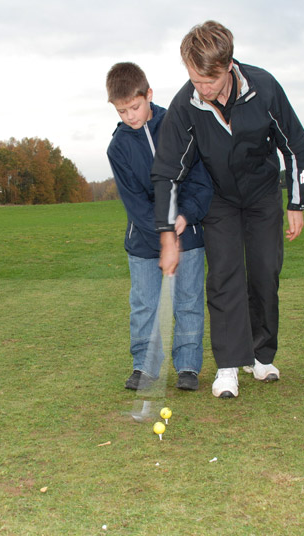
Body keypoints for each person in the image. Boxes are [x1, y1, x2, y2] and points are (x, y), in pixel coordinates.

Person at [151, 21, 304, 398]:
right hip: (220, 198)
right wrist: (165, 233)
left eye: (210, 81)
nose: (202, 89)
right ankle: (227, 366)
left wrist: (296, 201)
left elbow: (296, 145)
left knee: (264, 273)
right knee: (224, 275)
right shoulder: (185, 106)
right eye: (195, 79)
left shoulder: (264, 88)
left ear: (228, 65)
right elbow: (166, 172)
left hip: (262, 194)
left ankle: (261, 355)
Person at [106, 62, 213, 391]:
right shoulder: (118, 147)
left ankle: (188, 367)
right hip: (143, 241)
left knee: (188, 301)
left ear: (148, 94)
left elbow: (201, 181)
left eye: (135, 107)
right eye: (122, 111)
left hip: (188, 234)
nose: (130, 117)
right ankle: (145, 367)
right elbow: (136, 204)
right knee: (144, 305)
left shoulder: (178, 126)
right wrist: (163, 233)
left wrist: (183, 218)